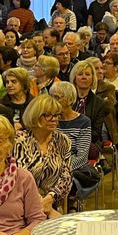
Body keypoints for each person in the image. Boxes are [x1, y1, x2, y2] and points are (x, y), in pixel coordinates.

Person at [14, 95, 72, 224]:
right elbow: (19, 177)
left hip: (52, 202)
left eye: (56, 115)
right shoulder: (19, 141)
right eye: (48, 115)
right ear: (35, 115)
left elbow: (66, 176)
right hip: (22, 205)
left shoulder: (63, 141)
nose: (54, 119)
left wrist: (50, 198)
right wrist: (41, 204)